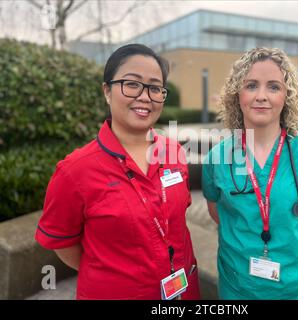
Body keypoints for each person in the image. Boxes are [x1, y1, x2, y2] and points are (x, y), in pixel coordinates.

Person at [35, 44, 200, 300]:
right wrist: (113, 271)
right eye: (132, 84)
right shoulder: (75, 171)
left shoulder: (174, 152)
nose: (145, 96)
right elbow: (64, 244)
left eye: (155, 88)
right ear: (107, 91)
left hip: (183, 292)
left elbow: (177, 221)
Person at [202, 47, 298, 300]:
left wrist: (294, 240)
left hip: (297, 291)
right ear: (236, 94)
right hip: (237, 289)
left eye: (273, 87)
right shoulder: (218, 158)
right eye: (251, 85)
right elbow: (218, 213)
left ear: (287, 96)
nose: (261, 96)